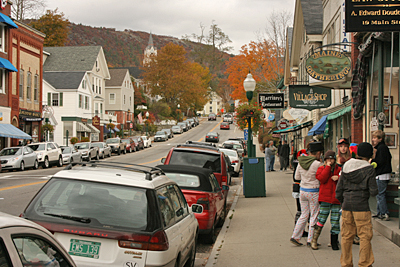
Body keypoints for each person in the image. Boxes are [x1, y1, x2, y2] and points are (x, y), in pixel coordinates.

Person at [336, 142, 378, 267]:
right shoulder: (369, 168)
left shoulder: (346, 165)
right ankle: (365, 263)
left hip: (347, 205)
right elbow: (373, 191)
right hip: (362, 205)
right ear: (370, 154)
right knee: (365, 235)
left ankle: (346, 263)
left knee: (346, 236)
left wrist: (343, 202)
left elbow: (339, 190)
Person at [290, 141, 324, 247]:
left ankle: (295, 236)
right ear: (318, 153)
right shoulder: (318, 164)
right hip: (314, 191)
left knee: (304, 214)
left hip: (303, 191)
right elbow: (322, 178)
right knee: (314, 215)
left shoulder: (300, 162)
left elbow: (297, 177)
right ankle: (311, 240)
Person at [311, 150, 341, 250]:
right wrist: (327, 167)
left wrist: (339, 177)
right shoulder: (321, 168)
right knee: (321, 220)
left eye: (331, 159)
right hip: (325, 198)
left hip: (336, 199)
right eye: (328, 159)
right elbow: (322, 179)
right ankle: (314, 240)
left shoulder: (339, 169)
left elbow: (345, 178)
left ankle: (334, 242)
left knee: (335, 221)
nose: (330, 161)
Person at [371, 130, 392, 221]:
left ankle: (384, 212)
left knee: (380, 195)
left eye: (375, 138)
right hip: (383, 174)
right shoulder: (382, 148)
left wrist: (371, 162)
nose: (373, 139)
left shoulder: (381, 148)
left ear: (380, 139)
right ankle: (379, 212)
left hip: (382, 175)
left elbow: (380, 162)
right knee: (379, 195)